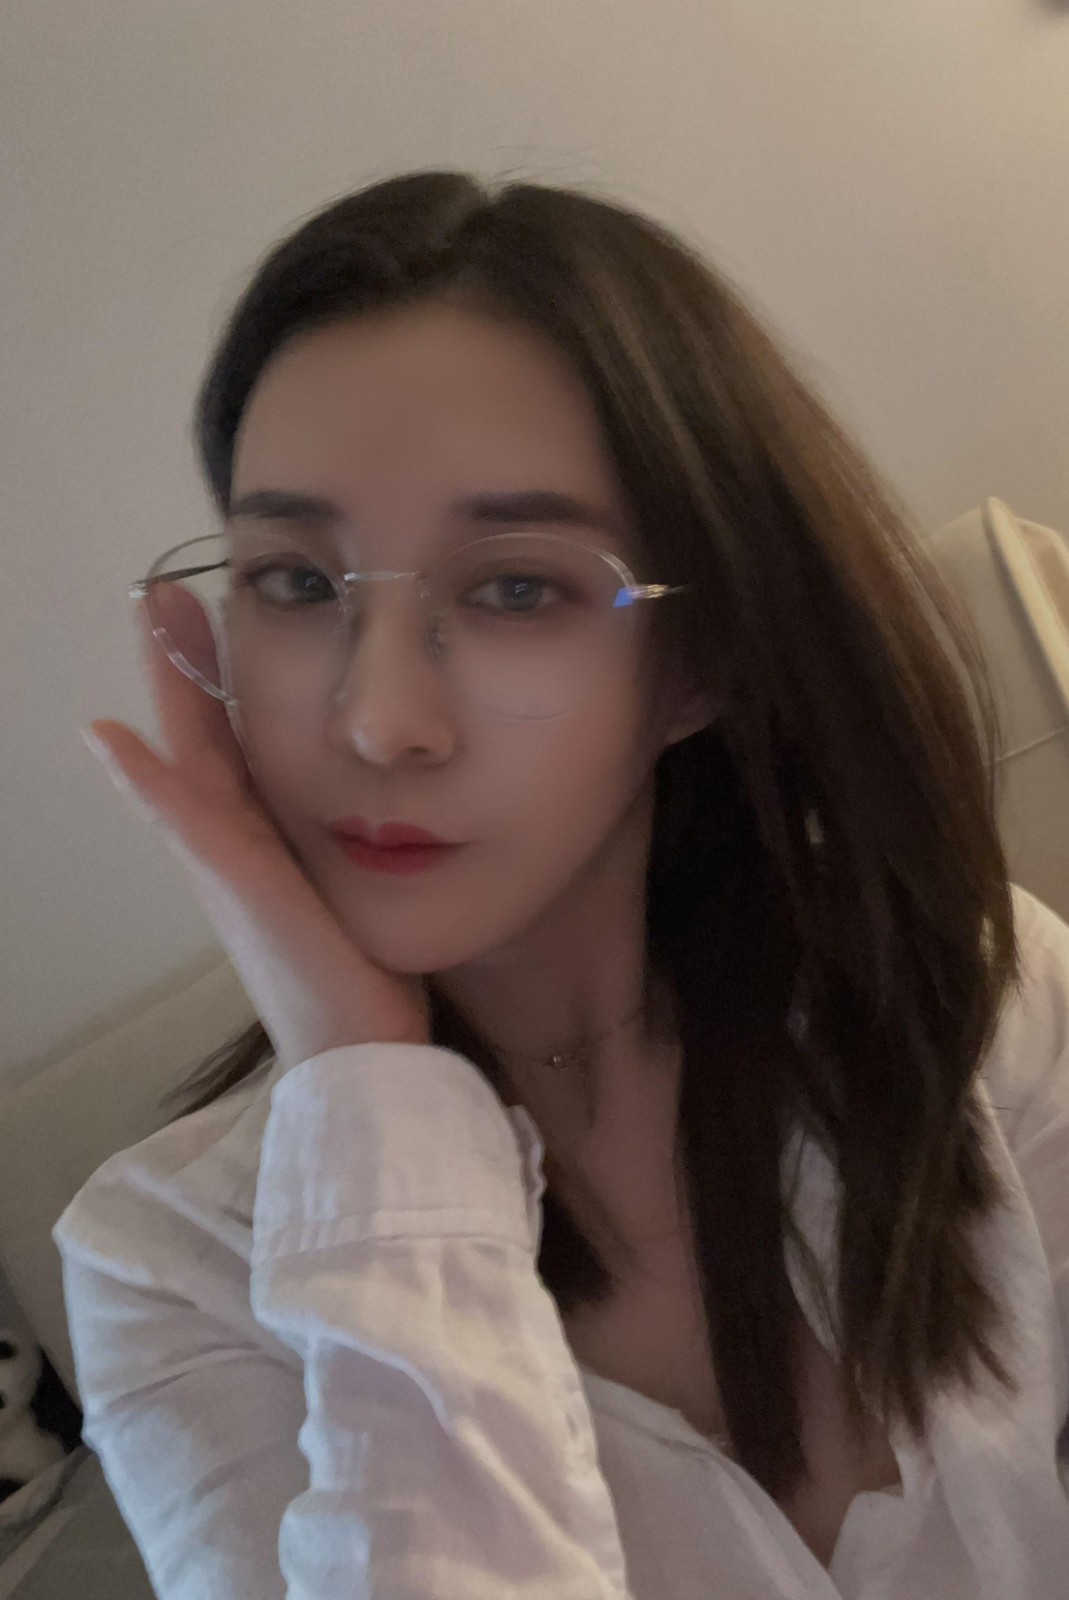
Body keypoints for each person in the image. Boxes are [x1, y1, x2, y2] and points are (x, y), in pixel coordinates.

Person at [56, 170, 1069, 1598]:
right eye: (295, 582)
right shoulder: (172, 1263)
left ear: (702, 662)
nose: (378, 720)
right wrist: (369, 1087)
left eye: (516, 588)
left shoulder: (974, 1002)